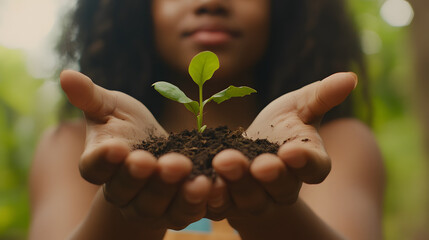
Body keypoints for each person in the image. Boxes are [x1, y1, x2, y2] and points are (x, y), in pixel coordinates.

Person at [29, 0, 385, 239]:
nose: (210, 1)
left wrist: (274, 215)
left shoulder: (337, 143)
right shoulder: (70, 147)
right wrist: (121, 212)